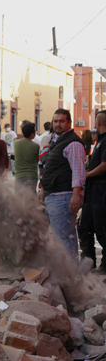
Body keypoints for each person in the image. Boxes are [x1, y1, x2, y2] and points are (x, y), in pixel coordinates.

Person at [40, 109, 86, 258]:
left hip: (64, 196)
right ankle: (65, 274)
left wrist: (75, 195)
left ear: (69, 123)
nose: (58, 124)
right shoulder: (56, 140)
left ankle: (70, 275)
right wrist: (43, 190)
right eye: (55, 121)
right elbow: (51, 168)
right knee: (59, 238)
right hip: (54, 195)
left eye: (61, 121)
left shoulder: (73, 143)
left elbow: (78, 171)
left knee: (65, 239)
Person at [78, 110, 106, 273]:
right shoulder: (100, 141)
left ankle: (104, 266)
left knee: (101, 228)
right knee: (84, 226)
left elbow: (104, 165)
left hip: (101, 191)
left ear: (99, 122)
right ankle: (88, 263)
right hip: (92, 191)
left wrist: (87, 174)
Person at [14, 121, 39, 194]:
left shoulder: (16, 143)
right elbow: (37, 160)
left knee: (18, 200)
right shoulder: (36, 146)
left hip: (19, 175)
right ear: (32, 134)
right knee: (30, 200)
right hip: (31, 175)